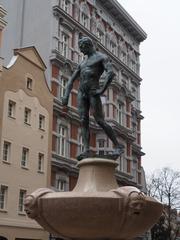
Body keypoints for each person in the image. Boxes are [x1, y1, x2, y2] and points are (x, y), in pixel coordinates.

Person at [62, 36, 124, 160]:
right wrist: (66, 96)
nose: (81, 51)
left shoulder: (101, 57)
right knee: (83, 120)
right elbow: (71, 80)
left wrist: (102, 90)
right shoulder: (82, 63)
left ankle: (118, 145)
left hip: (93, 92)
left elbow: (111, 73)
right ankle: (86, 149)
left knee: (99, 120)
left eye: (82, 48)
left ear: (88, 45)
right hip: (82, 93)